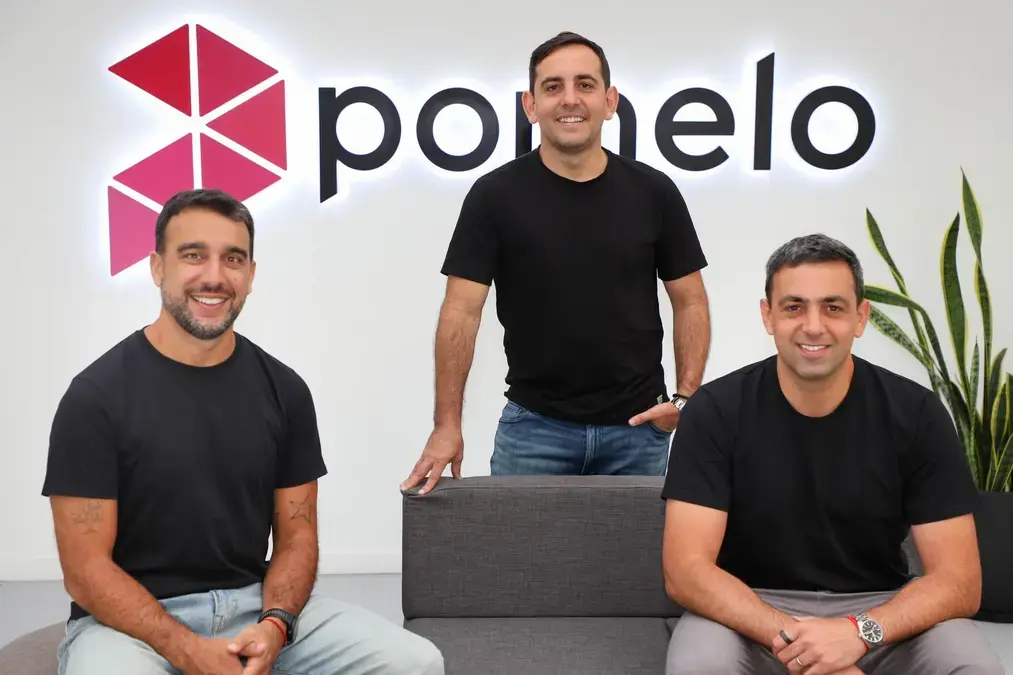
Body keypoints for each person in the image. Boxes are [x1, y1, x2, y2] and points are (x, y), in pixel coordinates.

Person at [42, 189, 444, 675]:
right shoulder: (95, 397)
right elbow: (85, 569)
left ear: (251, 275)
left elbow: (297, 537)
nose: (214, 276)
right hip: (130, 628)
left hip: (254, 607)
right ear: (157, 268)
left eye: (232, 259)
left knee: (415, 662)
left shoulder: (284, 390)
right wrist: (187, 649)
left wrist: (276, 625)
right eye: (193, 255)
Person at [659, 233, 1003, 674]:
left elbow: (959, 581)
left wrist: (857, 633)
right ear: (768, 316)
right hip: (748, 612)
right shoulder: (714, 410)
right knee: (699, 666)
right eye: (794, 307)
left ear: (861, 317)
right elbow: (686, 571)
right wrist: (810, 648)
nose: (813, 326)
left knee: (973, 665)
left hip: (879, 614)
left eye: (833, 308)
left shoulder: (918, 413)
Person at [401, 31, 711, 494]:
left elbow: (691, 301)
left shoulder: (654, 192)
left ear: (610, 101)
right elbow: (460, 312)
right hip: (533, 432)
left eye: (585, 85)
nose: (570, 99)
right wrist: (447, 425)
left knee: (632, 549)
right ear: (530, 105)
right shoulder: (494, 197)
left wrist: (684, 401)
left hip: (637, 434)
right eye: (553, 87)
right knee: (520, 548)